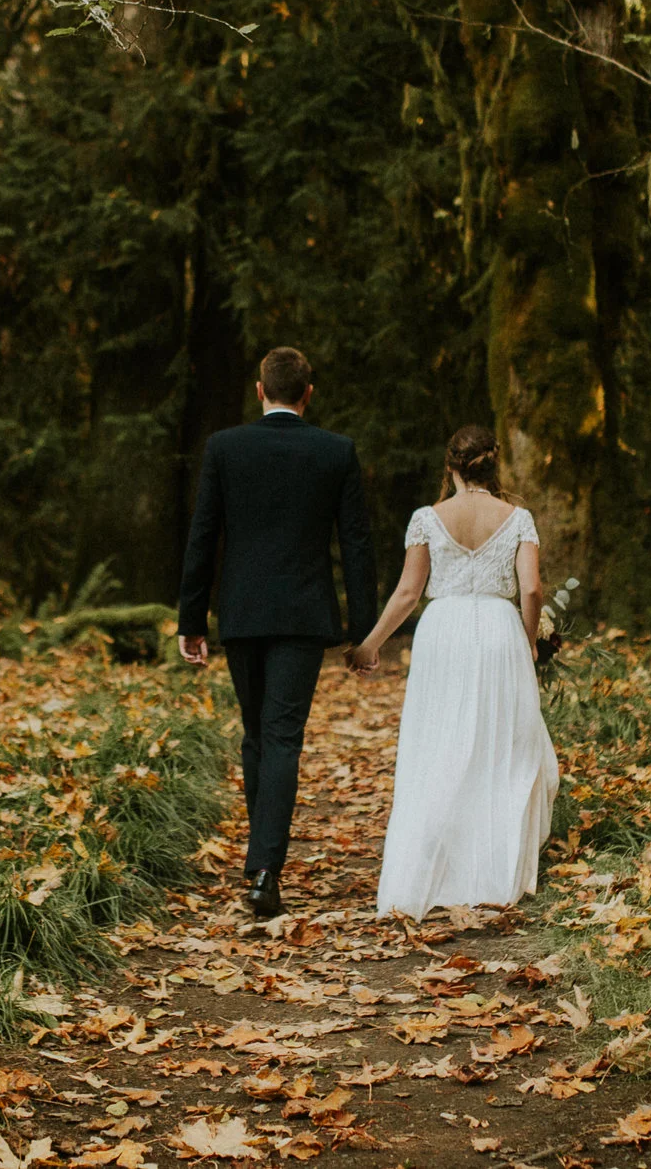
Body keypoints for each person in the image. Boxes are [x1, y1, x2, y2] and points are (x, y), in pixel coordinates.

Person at [177, 347, 377, 918]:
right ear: (307, 393)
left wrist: (192, 620)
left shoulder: (225, 448)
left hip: (241, 615)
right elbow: (356, 545)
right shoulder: (335, 451)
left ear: (259, 391)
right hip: (302, 617)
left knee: (256, 735)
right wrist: (364, 632)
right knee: (282, 735)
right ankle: (265, 869)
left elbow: (202, 537)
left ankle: (261, 862)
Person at [349, 426, 560, 918]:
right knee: (499, 749)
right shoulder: (519, 518)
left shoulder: (427, 518)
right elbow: (531, 590)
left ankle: (432, 870)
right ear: (492, 467)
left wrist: (369, 645)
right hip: (498, 632)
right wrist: (528, 641)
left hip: (442, 634)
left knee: (437, 746)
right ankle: (492, 874)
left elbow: (407, 594)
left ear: (451, 467)